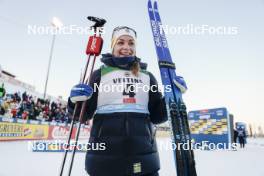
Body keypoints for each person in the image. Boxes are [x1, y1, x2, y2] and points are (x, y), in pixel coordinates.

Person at [68, 26, 187, 176]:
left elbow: (157, 116)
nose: (126, 47)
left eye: (131, 43)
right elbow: (83, 115)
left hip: (144, 161)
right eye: (120, 42)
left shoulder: (147, 76)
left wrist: (172, 96)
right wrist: (74, 102)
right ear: (113, 46)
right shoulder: (99, 74)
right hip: (103, 163)